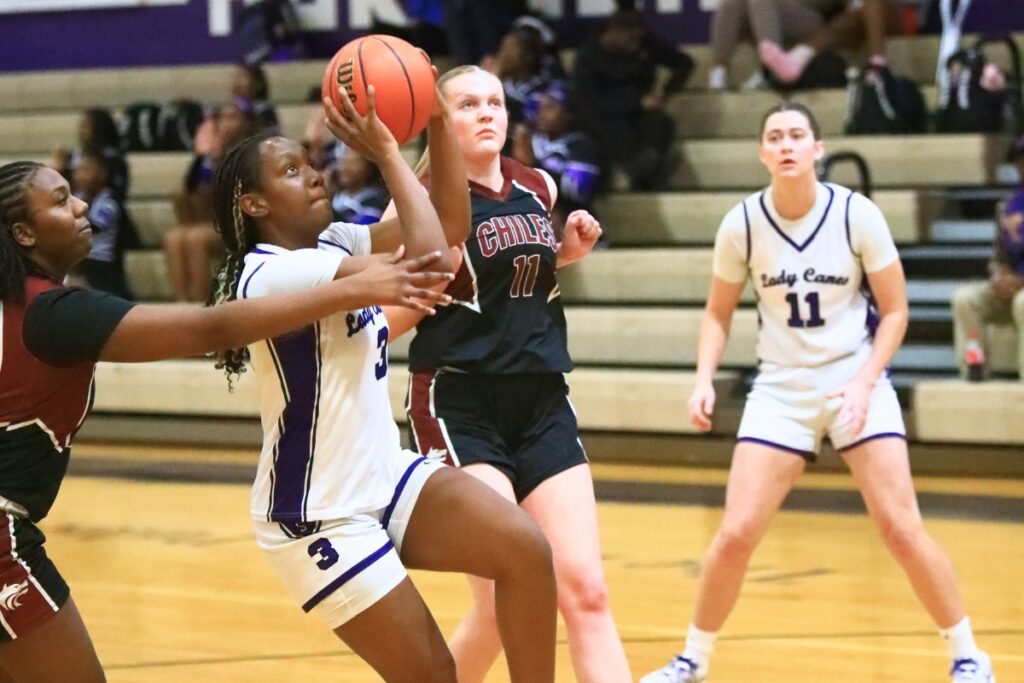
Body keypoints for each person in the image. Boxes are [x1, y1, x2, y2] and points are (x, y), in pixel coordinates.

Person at [0, 158, 455, 682]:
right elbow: (207, 329)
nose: (80, 204)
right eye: (59, 201)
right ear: (23, 232)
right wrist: (355, 289)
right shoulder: (53, 314)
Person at [211, 83, 558, 682]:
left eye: (311, 162)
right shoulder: (268, 274)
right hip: (316, 512)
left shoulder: (335, 241)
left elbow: (450, 223)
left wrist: (440, 124)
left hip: (383, 474)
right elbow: (431, 260)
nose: (314, 175)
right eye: (291, 171)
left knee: (526, 552)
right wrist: (391, 153)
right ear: (254, 204)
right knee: (432, 674)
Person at [641, 102, 995, 683]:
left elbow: (898, 312)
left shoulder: (857, 215)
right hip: (780, 389)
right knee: (733, 535)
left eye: (797, 135)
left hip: (855, 378)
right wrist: (703, 378)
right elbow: (717, 314)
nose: (786, 145)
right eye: (775, 136)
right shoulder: (743, 224)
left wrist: (863, 382)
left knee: (902, 528)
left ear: (817, 148)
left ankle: (967, 654)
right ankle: (693, 659)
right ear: (762, 153)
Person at [395, 65, 630, 683]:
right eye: (468, 104)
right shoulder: (419, 205)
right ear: (438, 122)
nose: (487, 113)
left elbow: (507, 276)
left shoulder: (538, 187)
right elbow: (394, 311)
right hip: (460, 401)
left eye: (495, 102)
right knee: (503, 602)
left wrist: (565, 254)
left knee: (587, 591)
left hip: (542, 397)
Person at [573, 8, 691, 190]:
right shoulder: (588, 56)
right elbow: (588, 101)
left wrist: (665, 92)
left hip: (641, 113)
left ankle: (645, 172)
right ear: (612, 32)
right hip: (606, 115)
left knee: (661, 124)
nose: (635, 46)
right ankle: (631, 171)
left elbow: (684, 63)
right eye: (630, 39)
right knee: (608, 128)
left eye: (637, 40)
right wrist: (636, 102)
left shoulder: (645, 45)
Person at [163, 100, 256, 303]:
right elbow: (192, 193)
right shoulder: (210, 154)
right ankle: (182, 305)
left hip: (242, 226)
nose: (225, 123)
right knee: (174, 239)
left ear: (246, 123)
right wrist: (204, 158)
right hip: (211, 221)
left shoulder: (251, 152)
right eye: (222, 118)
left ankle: (203, 306)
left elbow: (232, 195)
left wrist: (215, 158)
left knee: (195, 239)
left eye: (232, 118)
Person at [951, 135, 1024, 380]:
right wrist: (999, 277)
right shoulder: (1008, 207)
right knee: (966, 300)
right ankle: (975, 372)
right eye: (1020, 160)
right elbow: (999, 255)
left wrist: (1020, 281)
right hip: (1013, 285)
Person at [707, 0, 900, 89]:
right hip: (797, 15)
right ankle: (719, 72)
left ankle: (770, 71)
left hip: (828, 24)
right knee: (733, 4)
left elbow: (857, 10)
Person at [511, 82, 602, 235]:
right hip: (527, 213)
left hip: (572, 219)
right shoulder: (528, 140)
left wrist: (534, 165)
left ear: (568, 113)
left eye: (550, 108)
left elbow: (578, 190)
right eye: (540, 108)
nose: (541, 114)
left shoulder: (581, 146)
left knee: (551, 216)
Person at [68, 147, 134, 298]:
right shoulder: (76, 197)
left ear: (102, 173)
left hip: (103, 268)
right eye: (78, 170)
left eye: (86, 170)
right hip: (82, 265)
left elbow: (92, 227)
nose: (80, 176)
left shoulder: (109, 203)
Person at [52, 108, 129, 202]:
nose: (81, 131)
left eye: (85, 126)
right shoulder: (74, 155)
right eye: (80, 126)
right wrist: (60, 167)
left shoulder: (113, 159)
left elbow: (117, 193)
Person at [328, 147, 388, 225]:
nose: (346, 168)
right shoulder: (336, 197)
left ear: (369, 167)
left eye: (354, 163)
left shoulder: (375, 202)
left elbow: (361, 230)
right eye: (343, 162)